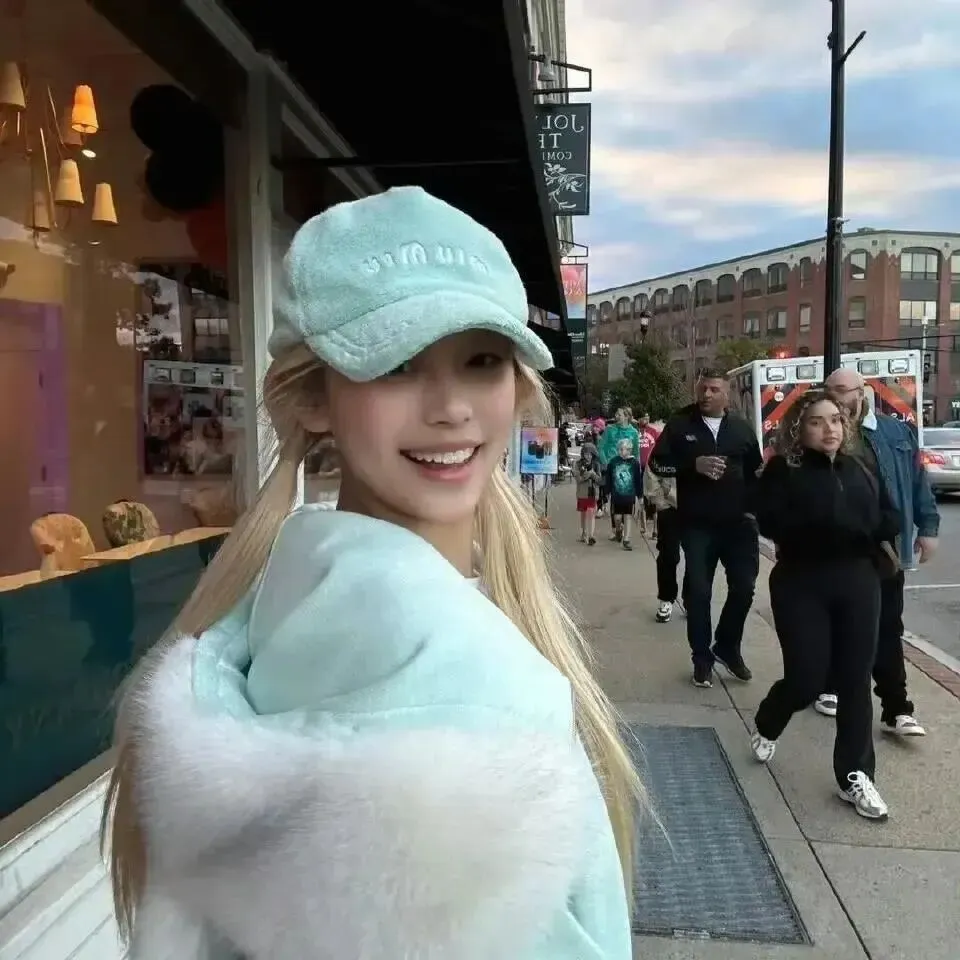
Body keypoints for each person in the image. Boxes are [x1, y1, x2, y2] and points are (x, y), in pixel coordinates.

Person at [101, 187, 639, 959]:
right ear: (313, 397)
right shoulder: (467, 681)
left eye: (482, 361)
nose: (451, 407)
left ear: (518, 387)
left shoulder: (277, 604)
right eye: (396, 365)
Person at [751, 390, 900, 820]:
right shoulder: (784, 470)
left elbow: (888, 516)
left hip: (858, 581)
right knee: (806, 679)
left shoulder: (859, 466)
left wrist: (866, 529)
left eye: (835, 419)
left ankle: (856, 775)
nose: (830, 428)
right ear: (800, 428)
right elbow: (771, 521)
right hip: (802, 582)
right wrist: (836, 524)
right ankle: (769, 721)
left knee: (855, 681)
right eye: (817, 421)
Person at [816, 368, 940, 736]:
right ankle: (830, 684)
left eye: (844, 390)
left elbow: (918, 482)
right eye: (830, 391)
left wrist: (928, 528)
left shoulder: (895, 433)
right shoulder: (822, 433)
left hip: (884, 547)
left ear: (863, 392)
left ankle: (896, 708)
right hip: (837, 548)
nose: (837, 398)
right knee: (838, 621)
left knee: (888, 624)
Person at [649, 369, 762, 688]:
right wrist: (692, 465)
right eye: (702, 389)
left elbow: (754, 471)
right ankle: (702, 658)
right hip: (697, 526)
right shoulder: (680, 424)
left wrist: (756, 510)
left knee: (744, 588)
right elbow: (657, 463)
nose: (706, 395)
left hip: (739, 526)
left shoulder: (741, 428)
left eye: (713, 389)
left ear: (726, 394)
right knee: (699, 593)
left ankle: (727, 646)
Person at [643, 466, 684, 622]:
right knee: (669, 555)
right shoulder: (663, 451)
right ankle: (666, 598)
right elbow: (652, 473)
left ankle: (692, 598)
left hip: (696, 508)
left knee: (697, 556)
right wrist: (661, 500)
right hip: (668, 507)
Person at [600, 409, 640, 535]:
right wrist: (605, 463)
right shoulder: (609, 429)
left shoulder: (633, 432)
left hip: (627, 469)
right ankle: (616, 528)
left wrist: (636, 468)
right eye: (616, 413)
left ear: (627, 417)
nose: (616, 416)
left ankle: (623, 528)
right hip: (613, 468)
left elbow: (636, 452)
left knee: (626, 495)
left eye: (619, 414)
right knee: (615, 496)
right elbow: (601, 447)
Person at [606, 437, 643, 550]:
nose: (623, 452)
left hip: (629, 496)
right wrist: (607, 493)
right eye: (621, 449)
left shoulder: (634, 463)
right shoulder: (613, 462)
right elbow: (608, 478)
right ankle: (618, 530)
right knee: (617, 518)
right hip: (616, 495)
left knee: (628, 516)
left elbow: (638, 480)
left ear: (630, 450)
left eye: (626, 449)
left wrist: (640, 496)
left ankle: (626, 540)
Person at [575, 446, 601, 545]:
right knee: (583, 513)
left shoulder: (596, 464)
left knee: (591, 512)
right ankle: (583, 533)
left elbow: (599, 479)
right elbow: (578, 479)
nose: (588, 456)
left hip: (592, 492)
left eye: (590, 454)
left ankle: (591, 536)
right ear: (583, 454)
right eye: (586, 454)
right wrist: (588, 474)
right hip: (582, 492)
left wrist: (592, 474)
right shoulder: (578, 464)